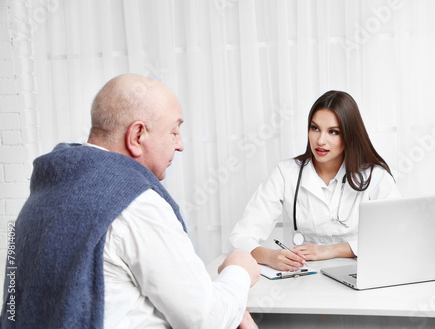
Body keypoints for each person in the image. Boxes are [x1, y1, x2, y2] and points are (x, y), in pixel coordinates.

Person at [1, 74, 260, 329]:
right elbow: (205, 320)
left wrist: (228, 306)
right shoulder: (135, 204)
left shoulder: (44, 195)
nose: (180, 145)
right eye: (174, 131)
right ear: (137, 136)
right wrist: (239, 270)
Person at [229, 90, 400, 271]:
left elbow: (398, 233)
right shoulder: (285, 173)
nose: (320, 140)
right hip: (303, 278)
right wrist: (271, 256)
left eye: (333, 132)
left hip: (362, 275)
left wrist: (331, 250)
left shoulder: (375, 177)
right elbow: (239, 238)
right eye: (315, 128)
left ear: (350, 135)